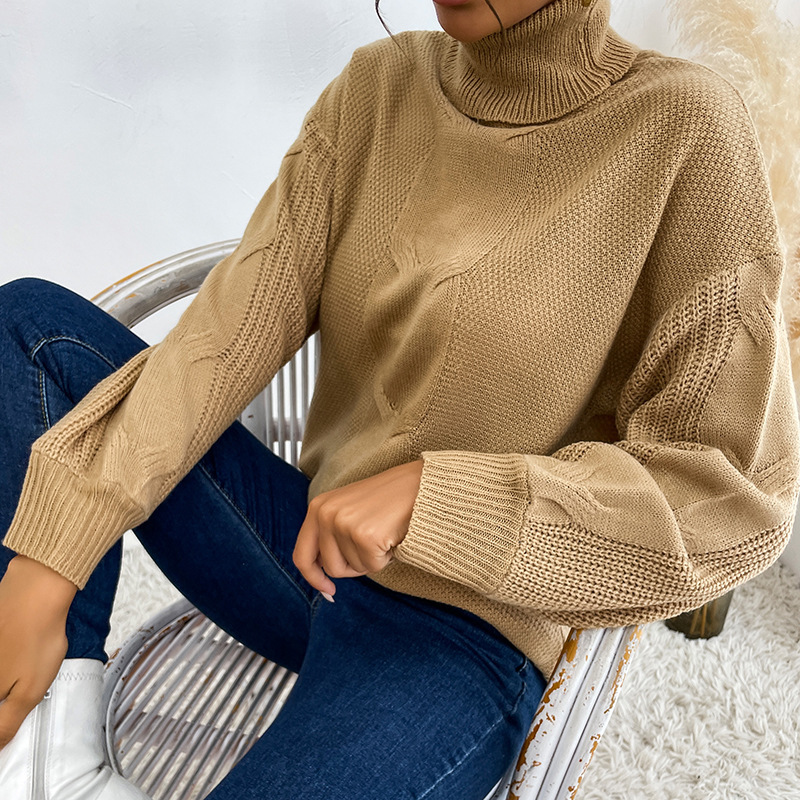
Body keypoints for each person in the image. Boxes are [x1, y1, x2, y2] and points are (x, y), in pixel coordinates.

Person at [1, 0, 799, 797]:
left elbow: (729, 497)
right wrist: (52, 553)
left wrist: (439, 499)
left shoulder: (686, 129)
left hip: (465, 632)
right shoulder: (377, 88)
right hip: (305, 554)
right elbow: (218, 345)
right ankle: (48, 757)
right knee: (31, 329)